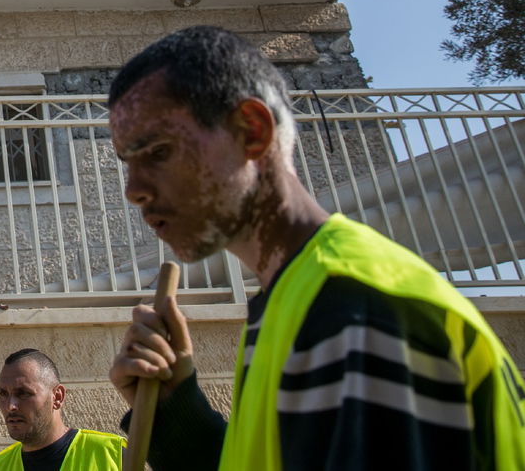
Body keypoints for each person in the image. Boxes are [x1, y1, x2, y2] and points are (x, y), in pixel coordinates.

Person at [105, 25, 525, 470]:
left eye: (158, 152)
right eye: (127, 164)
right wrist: (176, 411)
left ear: (251, 131)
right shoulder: (296, 299)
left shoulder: (353, 309)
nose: (134, 190)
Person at [0, 348, 124, 470]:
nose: (11, 406)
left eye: (23, 393)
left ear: (57, 397)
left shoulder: (112, 453)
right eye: (3, 394)